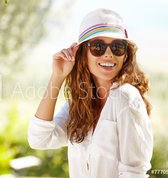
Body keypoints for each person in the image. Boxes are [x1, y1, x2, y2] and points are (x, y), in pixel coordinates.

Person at [28, 8, 153, 178]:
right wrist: (57, 77)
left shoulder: (126, 97)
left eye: (117, 47)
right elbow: (39, 139)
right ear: (83, 53)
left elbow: (134, 173)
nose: (108, 54)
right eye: (98, 46)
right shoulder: (79, 103)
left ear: (125, 55)